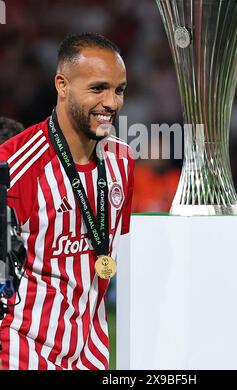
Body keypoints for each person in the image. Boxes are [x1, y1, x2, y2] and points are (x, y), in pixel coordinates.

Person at [0, 33, 134, 370]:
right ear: (62, 85)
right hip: (20, 353)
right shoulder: (14, 165)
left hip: (91, 353)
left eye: (119, 90)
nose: (112, 103)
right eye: (98, 88)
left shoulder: (123, 160)